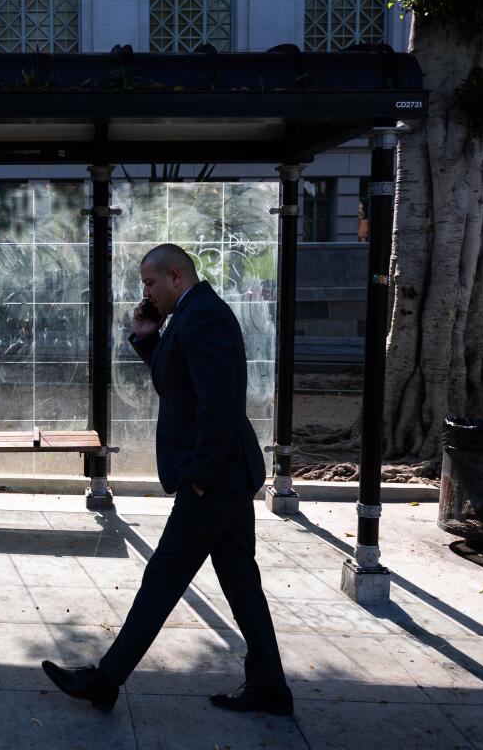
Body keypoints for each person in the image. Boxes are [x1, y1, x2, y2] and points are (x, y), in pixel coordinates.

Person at [41, 243, 293, 716]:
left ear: (176, 275)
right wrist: (147, 338)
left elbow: (219, 406)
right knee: (240, 580)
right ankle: (270, 686)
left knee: (163, 577)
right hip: (226, 475)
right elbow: (178, 382)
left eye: (150, 283)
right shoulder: (192, 316)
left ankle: (106, 679)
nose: (146, 292)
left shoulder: (206, 318)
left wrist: (199, 476)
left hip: (215, 479)